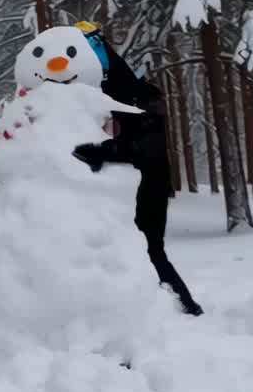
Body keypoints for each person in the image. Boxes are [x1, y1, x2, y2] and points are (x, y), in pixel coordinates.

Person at [72, 35, 203, 317]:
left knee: (149, 249)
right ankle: (157, 306)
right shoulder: (128, 95)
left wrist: (101, 151)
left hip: (151, 185)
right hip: (139, 185)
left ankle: (186, 307)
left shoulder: (143, 99)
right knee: (135, 250)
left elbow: (145, 148)